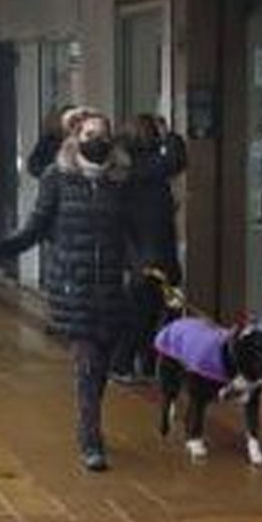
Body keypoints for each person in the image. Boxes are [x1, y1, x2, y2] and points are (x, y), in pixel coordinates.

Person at [0, 110, 134, 472]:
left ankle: (91, 421)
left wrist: (143, 263)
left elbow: (130, 232)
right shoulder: (57, 177)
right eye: (88, 133)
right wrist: (6, 248)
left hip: (110, 285)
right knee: (86, 362)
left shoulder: (119, 181)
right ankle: (90, 441)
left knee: (101, 364)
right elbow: (37, 225)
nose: (95, 140)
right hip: (73, 283)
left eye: (102, 134)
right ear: (75, 138)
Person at [112, 113, 188, 383]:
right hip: (154, 251)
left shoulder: (124, 169)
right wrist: (170, 135)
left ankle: (138, 363)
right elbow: (176, 159)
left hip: (139, 251)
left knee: (145, 310)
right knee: (153, 310)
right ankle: (131, 363)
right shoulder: (147, 169)